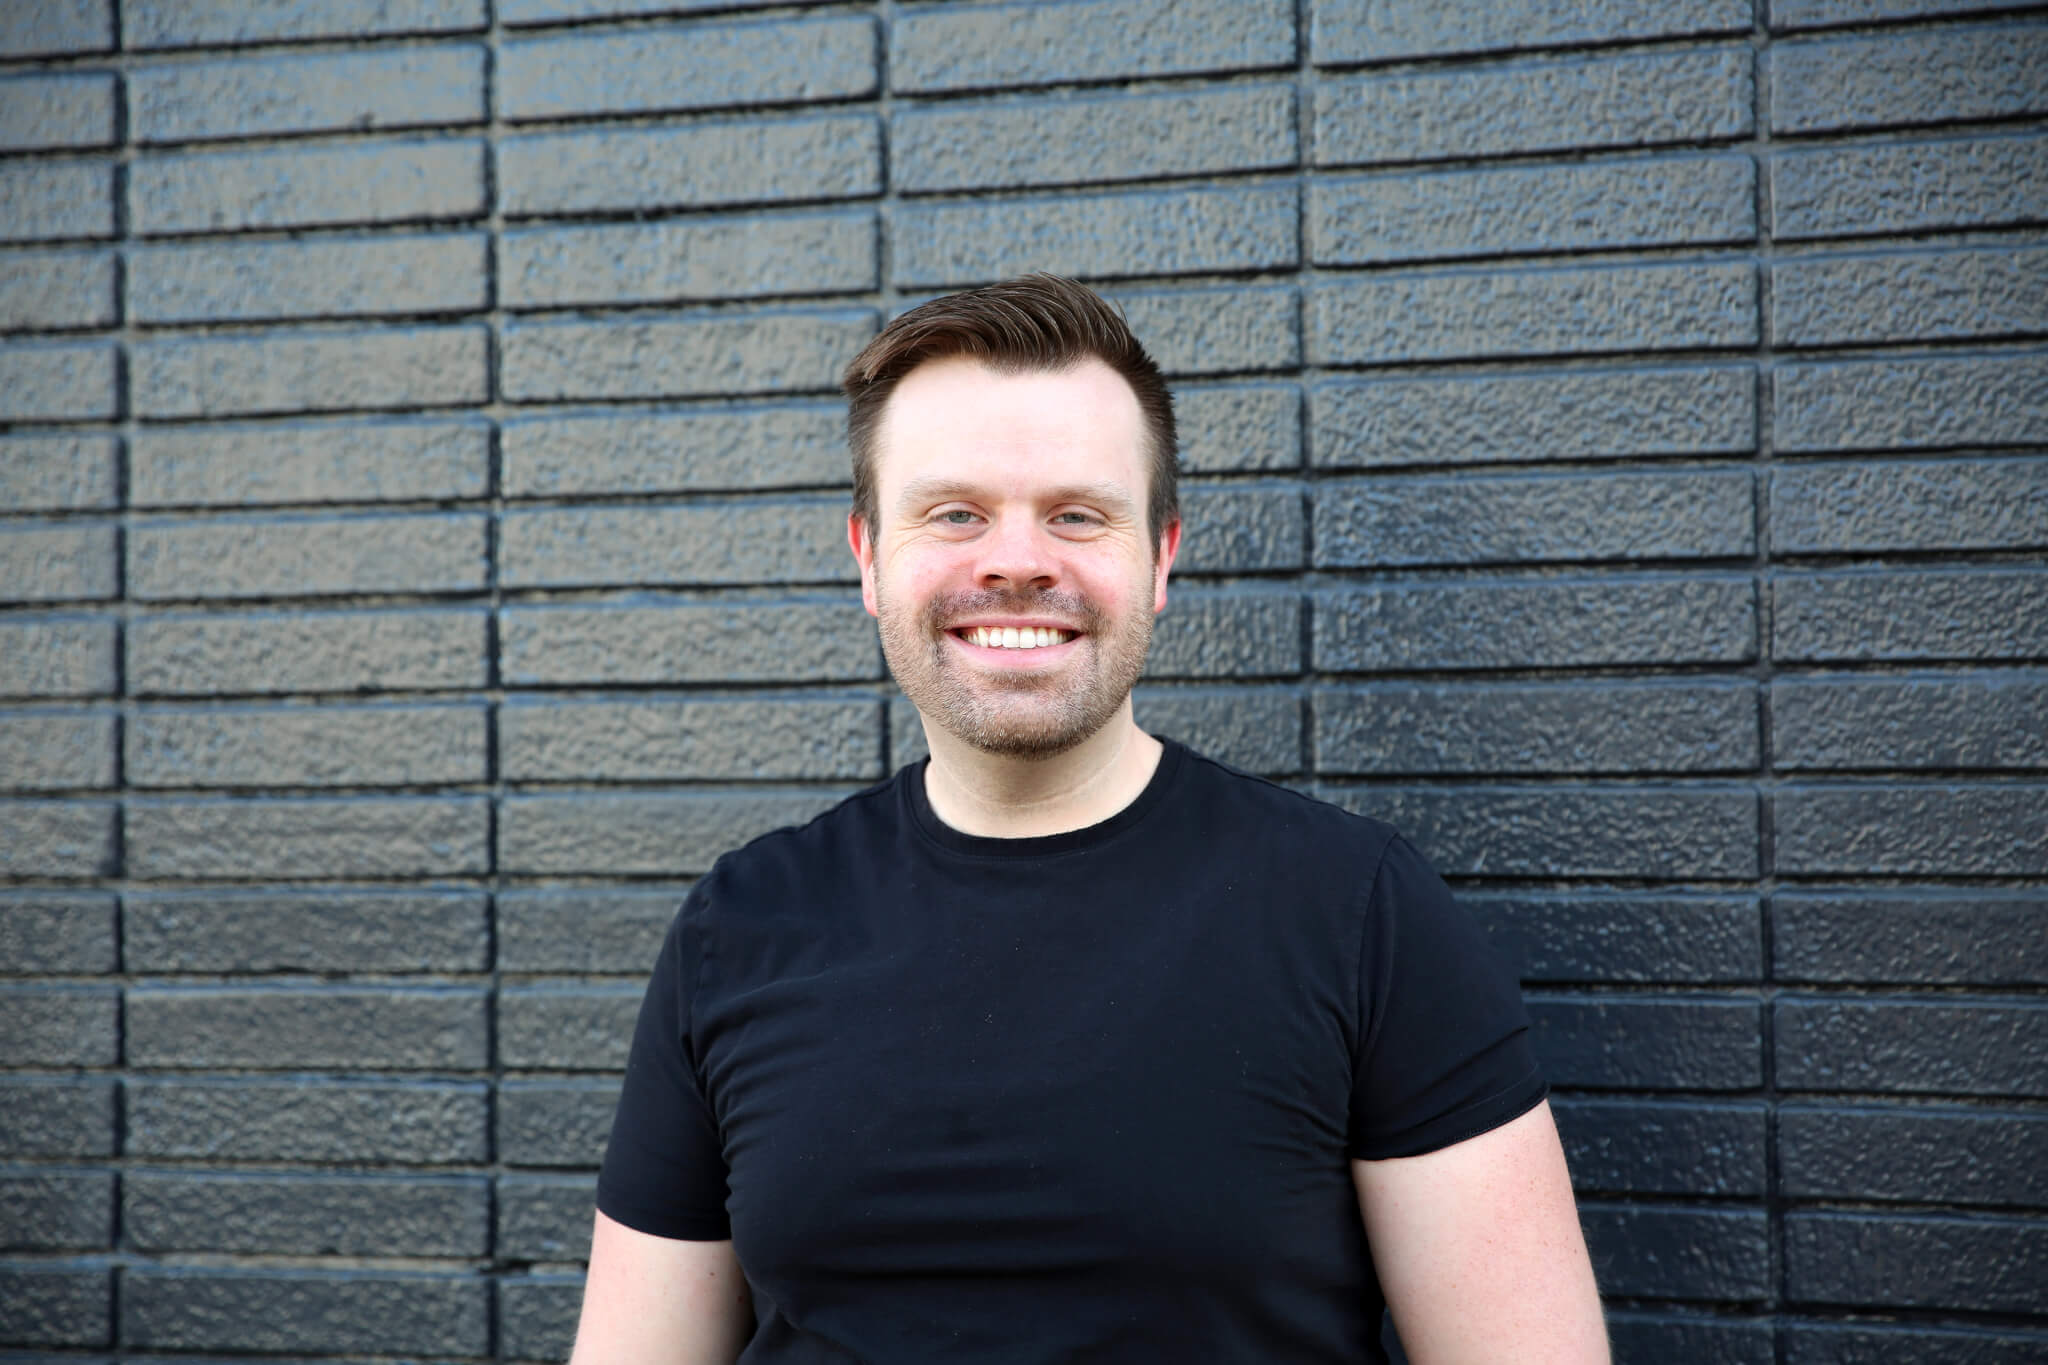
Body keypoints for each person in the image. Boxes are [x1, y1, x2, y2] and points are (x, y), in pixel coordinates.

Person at [570, 274, 1609, 1363]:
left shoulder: (1354, 914)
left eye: (1076, 514)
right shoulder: (736, 931)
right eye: (954, 512)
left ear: (1157, 557)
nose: (1016, 561)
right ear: (867, 558)